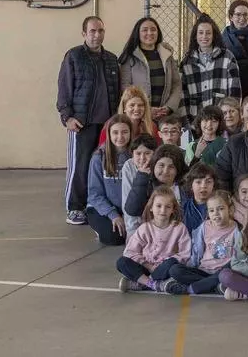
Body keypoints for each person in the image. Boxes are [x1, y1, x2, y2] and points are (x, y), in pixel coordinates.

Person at [58, 16, 121, 225]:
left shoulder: (111, 59)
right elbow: (64, 88)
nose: (97, 35)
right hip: (82, 123)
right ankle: (75, 207)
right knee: (80, 165)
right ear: (84, 33)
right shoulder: (74, 56)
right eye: (92, 31)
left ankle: (95, 204)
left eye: (100, 31)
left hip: (107, 125)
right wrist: (67, 117)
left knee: (102, 166)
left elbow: (118, 90)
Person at [163, 190, 239, 295]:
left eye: (221, 209)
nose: (216, 213)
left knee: (231, 269)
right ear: (208, 212)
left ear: (230, 209)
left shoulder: (236, 229)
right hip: (204, 270)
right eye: (211, 210)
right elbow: (197, 249)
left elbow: (238, 257)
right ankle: (213, 286)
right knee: (175, 270)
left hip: (222, 272)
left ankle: (192, 288)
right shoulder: (204, 226)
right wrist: (191, 266)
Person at [115, 189, 191, 292]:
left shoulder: (179, 228)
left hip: (165, 269)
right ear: (151, 207)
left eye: (168, 207)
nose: (163, 210)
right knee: (122, 262)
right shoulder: (144, 228)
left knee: (173, 264)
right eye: (158, 206)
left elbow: (185, 253)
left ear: (173, 209)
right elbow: (130, 252)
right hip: (146, 267)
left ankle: (142, 284)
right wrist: (148, 266)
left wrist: (163, 263)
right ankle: (154, 284)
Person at [179, 16, 241, 125]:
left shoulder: (227, 57)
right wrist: (187, 123)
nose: (204, 36)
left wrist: (231, 119)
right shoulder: (186, 62)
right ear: (195, 36)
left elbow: (235, 92)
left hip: (222, 120)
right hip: (196, 121)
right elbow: (182, 95)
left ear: (214, 35)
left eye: (208, 33)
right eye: (201, 33)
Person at [118, 17, 181, 121]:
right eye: (145, 30)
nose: (150, 33)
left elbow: (176, 84)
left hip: (164, 116)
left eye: (153, 29)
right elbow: (125, 88)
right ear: (137, 33)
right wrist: (146, 109)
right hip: (139, 116)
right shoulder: (129, 57)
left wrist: (169, 107)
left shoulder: (167, 55)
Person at [86, 114, 133, 245]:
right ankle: (99, 227)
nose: (120, 137)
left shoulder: (136, 155)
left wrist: (129, 214)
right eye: (115, 132)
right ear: (109, 134)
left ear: (130, 133)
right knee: (114, 238)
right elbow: (94, 194)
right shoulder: (98, 157)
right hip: (103, 208)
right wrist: (113, 215)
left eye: (124, 132)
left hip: (127, 209)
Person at [222, 0, 248, 99]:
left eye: (245, 15)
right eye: (238, 14)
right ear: (231, 17)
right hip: (230, 87)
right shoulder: (222, 40)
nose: (242, 18)